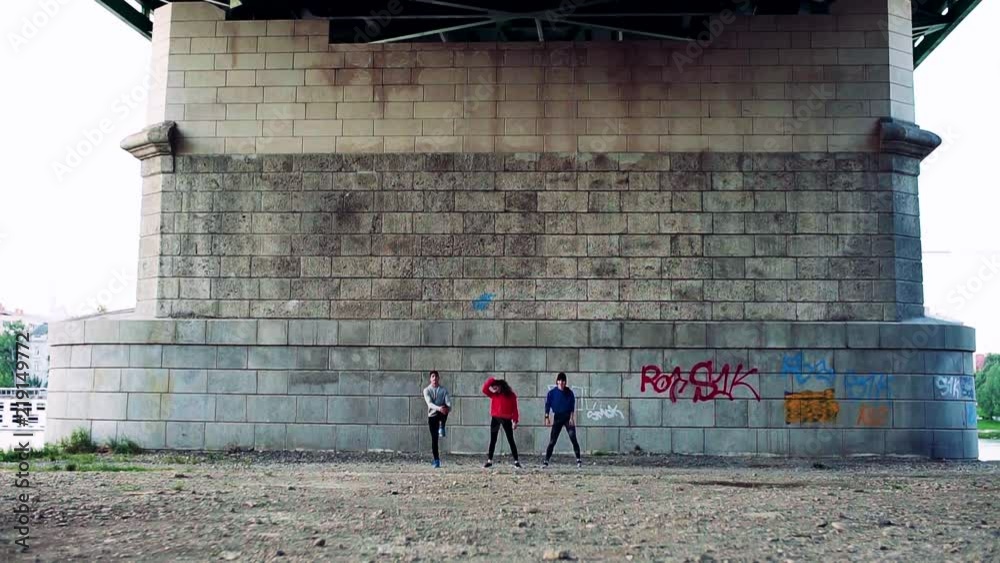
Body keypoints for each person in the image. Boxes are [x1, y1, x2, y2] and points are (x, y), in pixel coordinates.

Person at [543, 372, 582, 468]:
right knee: (552, 440)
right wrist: (547, 417)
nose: (561, 383)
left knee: (573, 438)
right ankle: (546, 460)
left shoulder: (569, 393)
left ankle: (578, 459)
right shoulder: (552, 393)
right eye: (559, 381)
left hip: (567, 417)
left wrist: (572, 418)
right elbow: (547, 405)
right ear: (557, 381)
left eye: (563, 381)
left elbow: (572, 406)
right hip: (557, 417)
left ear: (565, 382)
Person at [481, 376, 521, 469]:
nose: (494, 389)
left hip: (507, 419)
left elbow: (515, 409)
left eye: (496, 387)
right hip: (496, 418)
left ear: (501, 386)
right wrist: (492, 379)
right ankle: (489, 460)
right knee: (493, 440)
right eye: (493, 387)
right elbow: (484, 389)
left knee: (510, 440)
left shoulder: (511, 395)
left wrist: (515, 420)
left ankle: (516, 461)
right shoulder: (494, 394)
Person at [423, 370, 452, 468]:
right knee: (434, 439)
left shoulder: (444, 390)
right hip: (432, 416)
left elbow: (449, 404)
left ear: (439, 378)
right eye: (432, 376)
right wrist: (439, 408)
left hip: (442, 414)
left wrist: (446, 408)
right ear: (430, 379)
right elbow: (429, 404)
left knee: (444, 409)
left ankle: (442, 426)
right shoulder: (426, 390)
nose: (434, 378)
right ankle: (436, 460)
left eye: (436, 376)